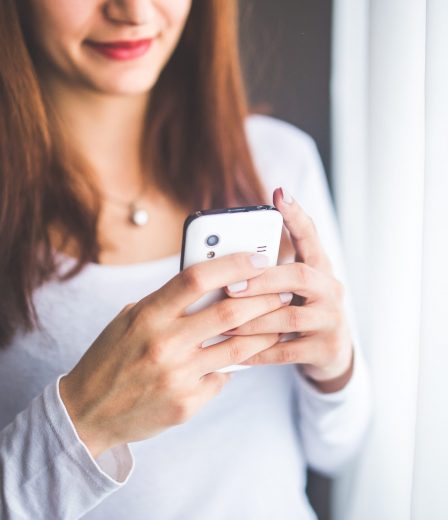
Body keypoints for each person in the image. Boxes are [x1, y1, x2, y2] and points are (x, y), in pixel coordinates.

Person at [0, 1, 372, 518]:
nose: (132, 12)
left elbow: (337, 448)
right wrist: (86, 420)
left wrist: (334, 366)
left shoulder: (280, 164)